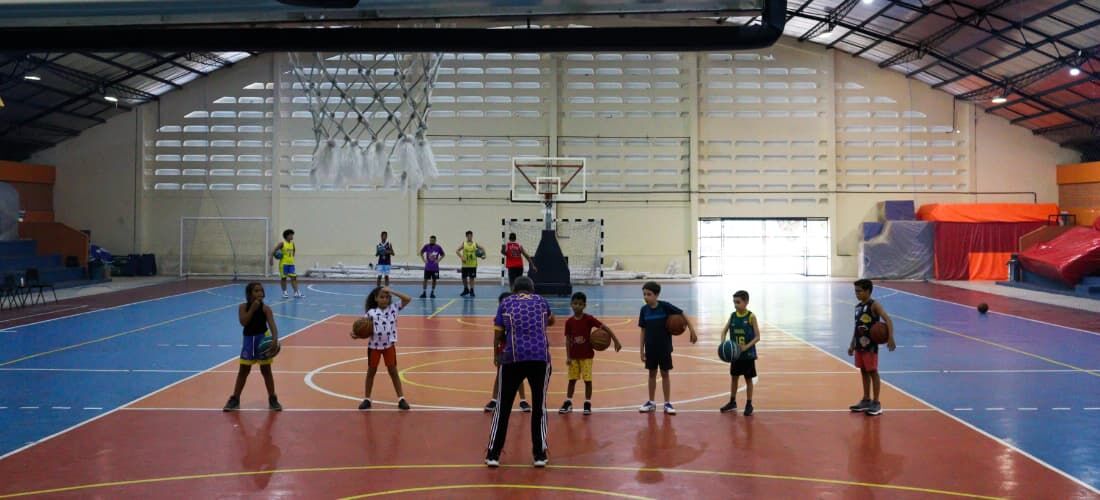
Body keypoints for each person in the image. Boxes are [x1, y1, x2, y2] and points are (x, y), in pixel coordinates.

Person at [485, 277, 554, 468]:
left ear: (514, 289)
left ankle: (494, 454)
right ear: (532, 289)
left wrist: (496, 356)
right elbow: (551, 320)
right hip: (539, 357)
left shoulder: (506, 302)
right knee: (539, 407)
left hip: (513, 357)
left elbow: (498, 335)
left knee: (503, 407)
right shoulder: (541, 301)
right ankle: (539, 454)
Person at [638, 281, 697, 414]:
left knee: (665, 374)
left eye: (649, 294)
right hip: (651, 349)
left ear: (657, 295)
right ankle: (651, 402)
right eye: (644, 294)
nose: (646, 297)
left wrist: (692, 330)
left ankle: (667, 403)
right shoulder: (644, 310)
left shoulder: (665, 306)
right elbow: (643, 331)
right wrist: (641, 350)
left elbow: (682, 314)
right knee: (651, 374)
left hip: (664, 348)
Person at [559, 291, 621, 415]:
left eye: (580, 304)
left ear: (584, 305)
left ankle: (587, 403)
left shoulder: (589, 319)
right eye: (575, 303)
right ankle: (568, 401)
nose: (577, 306)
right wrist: (568, 356)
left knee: (587, 380)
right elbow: (567, 341)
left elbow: (605, 327)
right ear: (571, 304)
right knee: (572, 380)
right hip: (574, 357)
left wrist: (616, 340)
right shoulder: (569, 322)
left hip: (587, 356)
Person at [224, 282, 282, 411]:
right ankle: (235, 399)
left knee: (266, 370)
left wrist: (274, 339)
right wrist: (252, 309)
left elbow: (272, 325)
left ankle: (273, 398)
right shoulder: (242, 307)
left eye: (261, 291)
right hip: (249, 341)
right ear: (249, 294)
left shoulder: (266, 309)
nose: (260, 293)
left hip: (262, 340)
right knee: (244, 370)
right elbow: (244, 322)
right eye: (256, 291)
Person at [355, 286, 413, 411]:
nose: (384, 299)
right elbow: (363, 329)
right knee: (371, 372)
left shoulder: (394, 308)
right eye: (381, 297)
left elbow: (408, 299)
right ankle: (367, 399)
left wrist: (391, 290)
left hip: (389, 346)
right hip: (374, 347)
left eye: (387, 297)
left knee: (393, 372)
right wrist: (357, 335)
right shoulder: (371, 313)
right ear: (376, 298)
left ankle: (401, 398)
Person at [848, 279, 896, 416]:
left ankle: (876, 402)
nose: (856, 293)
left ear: (868, 291)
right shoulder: (857, 307)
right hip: (859, 345)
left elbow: (888, 319)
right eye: (855, 291)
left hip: (870, 346)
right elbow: (856, 328)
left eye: (859, 291)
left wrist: (890, 337)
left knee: (872, 371)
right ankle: (866, 399)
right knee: (863, 371)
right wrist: (852, 345)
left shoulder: (874, 305)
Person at [484, 292, 530, 413]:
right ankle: (494, 400)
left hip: (516, 348)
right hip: (504, 350)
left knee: (519, 375)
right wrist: (495, 354)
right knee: (500, 375)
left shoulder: (518, 316)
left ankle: (523, 400)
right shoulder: (498, 319)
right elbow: (497, 338)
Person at [719, 290, 760, 416]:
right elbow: (724, 331)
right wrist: (723, 344)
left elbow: (758, 337)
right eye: (734, 302)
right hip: (736, 356)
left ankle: (749, 404)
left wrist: (746, 347)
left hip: (747, 355)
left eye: (738, 302)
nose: (735, 305)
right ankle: (732, 402)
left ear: (746, 302)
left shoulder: (751, 317)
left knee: (748, 380)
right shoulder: (733, 316)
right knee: (734, 378)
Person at [271, 229, 302, 299]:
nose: (292, 236)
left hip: (291, 264)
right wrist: (271, 259)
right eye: (291, 235)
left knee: (294, 277)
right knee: (284, 278)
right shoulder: (282, 243)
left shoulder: (292, 243)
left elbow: (294, 250)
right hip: (283, 264)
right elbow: (273, 251)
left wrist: (291, 258)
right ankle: (285, 292)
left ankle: (296, 292)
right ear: (287, 236)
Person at [457, 230, 486, 298]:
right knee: (464, 277)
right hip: (465, 264)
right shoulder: (464, 243)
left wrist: (484, 255)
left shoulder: (475, 244)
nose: (470, 237)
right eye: (468, 236)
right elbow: (457, 251)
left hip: (473, 264)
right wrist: (461, 257)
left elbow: (482, 248)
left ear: (472, 236)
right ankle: (466, 289)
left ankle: (472, 290)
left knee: (471, 278)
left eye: (471, 235)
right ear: (466, 236)